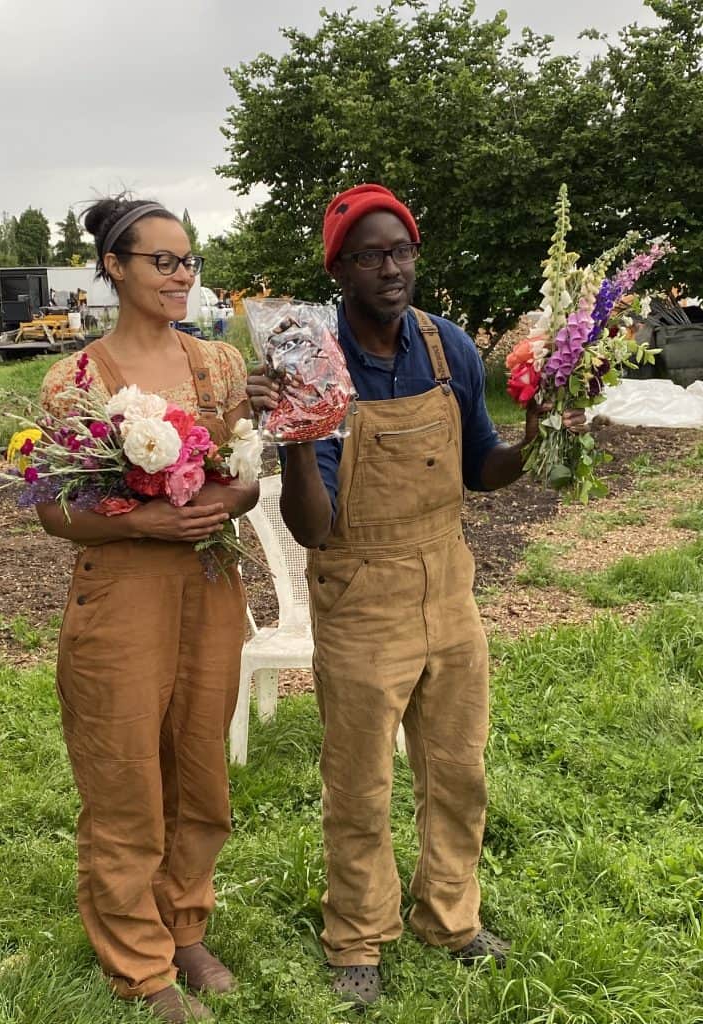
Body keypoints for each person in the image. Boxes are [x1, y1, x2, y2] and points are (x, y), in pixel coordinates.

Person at [246, 184, 586, 1006]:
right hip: (360, 591)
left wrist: (534, 439)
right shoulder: (312, 358)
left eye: (401, 251)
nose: (391, 268)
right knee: (359, 782)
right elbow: (312, 528)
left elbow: (480, 468)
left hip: (450, 586)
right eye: (370, 254)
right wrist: (294, 439)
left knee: (458, 768)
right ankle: (357, 934)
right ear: (340, 267)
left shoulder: (448, 349)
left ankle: (450, 917)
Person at [37, 196, 258, 1023]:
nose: (181, 275)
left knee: (199, 762)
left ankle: (184, 920)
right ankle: (139, 960)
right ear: (115, 268)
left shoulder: (218, 367)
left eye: (189, 260)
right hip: (121, 591)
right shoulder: (76, 381)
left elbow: (245, 474)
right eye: (162, 260)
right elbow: (52, 509)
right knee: (123, 770)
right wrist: (149, 520)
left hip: (208, 585)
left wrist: (224, 505)